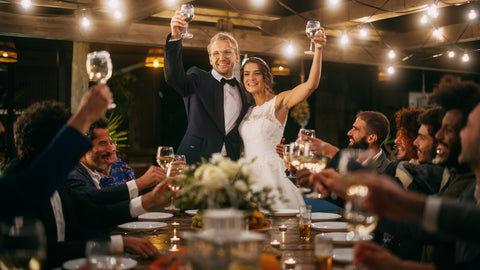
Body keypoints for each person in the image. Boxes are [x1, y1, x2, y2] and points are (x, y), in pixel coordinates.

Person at [2, 100, 162, 268]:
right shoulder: (17, 182)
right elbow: (43, 251)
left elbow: (91, 213)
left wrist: (149, 200)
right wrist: (116, 244)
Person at [237, 25, 326, 209]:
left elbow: (311, 85)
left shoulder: (278, 103)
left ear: (266, 77)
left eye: (256, 73)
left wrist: (318, 49)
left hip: (271, 176)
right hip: (245, 177)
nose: (250, 78)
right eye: (246, 74)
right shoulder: (247, 110)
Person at [0, 84, 112, 218]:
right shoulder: (17, 173)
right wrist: (85, 114)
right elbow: (31, 186)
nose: (2, 128)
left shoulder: (59, 180)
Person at [164, 10, 253, 164]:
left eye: (227, 52)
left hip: (231, 164)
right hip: (196, 160)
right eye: (216, 53)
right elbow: (173, 77)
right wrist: (175, 36)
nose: (222, 58)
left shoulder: (245, 91)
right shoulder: (197, 78)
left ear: (237, 57)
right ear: (210, 59)